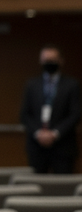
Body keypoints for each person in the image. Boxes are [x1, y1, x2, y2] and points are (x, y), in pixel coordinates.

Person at [20, 45, 81, 173]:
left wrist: (54, 134)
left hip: (63, 146)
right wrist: (38, 133)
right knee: (36, 183)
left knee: (63, 183)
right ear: (40, 61)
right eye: (46, 60)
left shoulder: (72, 85)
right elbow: (24, 114)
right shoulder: (32, 85)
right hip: (37, 147)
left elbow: (75, 114)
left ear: (61, 61)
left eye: (52, 60)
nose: (49, 63)